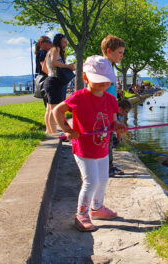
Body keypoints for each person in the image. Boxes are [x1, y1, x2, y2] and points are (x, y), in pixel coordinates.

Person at [53, 55, 127, 231]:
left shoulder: (110, 99)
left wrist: (118, 127)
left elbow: (113, 121)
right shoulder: (78, 97)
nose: (103, 84)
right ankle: (81, 214)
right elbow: (58, 111)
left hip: (102, 148)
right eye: (98, 80)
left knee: (103, 179)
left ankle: (97, 208)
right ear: (85, 78)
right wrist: (67, 130)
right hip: (84, 149)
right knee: (91, 182)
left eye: (107, 81)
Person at [100, 35, 126, 176]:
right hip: (105, 109)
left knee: (109, 138)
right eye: (120, 52)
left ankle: (109, 166)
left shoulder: (109, 65)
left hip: (109, 107)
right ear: (109, 51)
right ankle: (107, 168)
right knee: (107, 139)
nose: (122, 56)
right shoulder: (104, 65)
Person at [43, 33, 74, 134]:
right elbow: (53, 63)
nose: (66, 44)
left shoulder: (50, 51)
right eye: (64, 42)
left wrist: (51, 74)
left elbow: (44, 68)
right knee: (54, 110)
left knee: (49, 109)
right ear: (59, 41)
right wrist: (67, 66)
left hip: (50, 80)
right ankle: (54, 134)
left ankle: (49, 131)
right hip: (55, 82)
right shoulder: (56, 49)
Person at [35, 35, 52, 107]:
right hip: (46, 78)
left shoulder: (41, 52)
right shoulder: (43, 52)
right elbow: (44, 67)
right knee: (50, 104)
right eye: (48, 41)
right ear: (41, 43)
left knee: (48, 105)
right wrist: (53, 76)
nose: (50, 43)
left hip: (44, 78)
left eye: (51, 41)